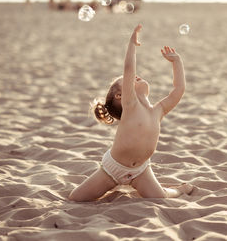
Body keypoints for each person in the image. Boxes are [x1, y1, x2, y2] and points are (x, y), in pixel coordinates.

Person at [68, 24, 193, 202]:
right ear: (121, 95)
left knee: (161, 197)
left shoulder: (158, 110)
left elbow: (179, 89)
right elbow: (128, 69)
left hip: (141, 170)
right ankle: (113, 185)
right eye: (129, 81)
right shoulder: (131, 105)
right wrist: (132, 45)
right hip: (113, 169)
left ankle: (179, 190)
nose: (136, 76)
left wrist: (177, 62)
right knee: (76, 198)